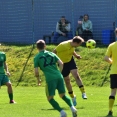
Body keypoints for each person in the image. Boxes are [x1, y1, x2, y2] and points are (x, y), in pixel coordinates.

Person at [34, 40, 77, 117]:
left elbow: (36, 72)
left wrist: (38, 80)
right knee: (63, 95)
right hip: (59, 76)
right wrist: (60, 73)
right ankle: (72, 108)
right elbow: (61, 63)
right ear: (45, 46)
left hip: (50, 78)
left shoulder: (37, 57)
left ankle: (62, 112)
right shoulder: (51, 54)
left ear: (37, 48)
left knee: (50, 98)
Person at [53, 36, 87, 106]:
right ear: (75, 42)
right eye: (79, 44)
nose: (79, 45)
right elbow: (54, 52)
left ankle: (83, 93)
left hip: (70, 61)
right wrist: (55, 61)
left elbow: (72, 51)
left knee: (76, 75)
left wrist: (76, 56)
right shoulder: (63, 45)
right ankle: (73, 97)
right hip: (62, 63)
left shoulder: (72, 46)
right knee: (67, 80)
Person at [104, 28, 117, 116]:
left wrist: (112, 62)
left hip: (114, 71)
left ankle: (110, 110)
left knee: (113, 91)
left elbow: (106, 58)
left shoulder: (112, 45)